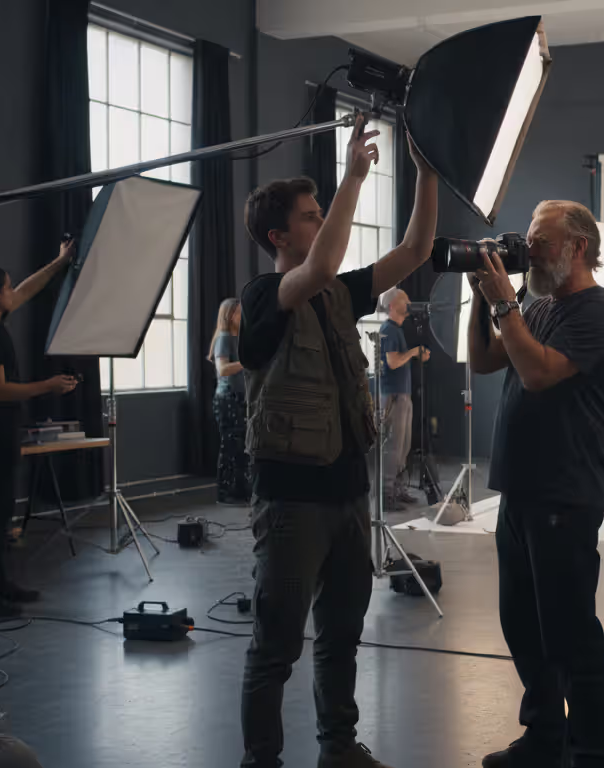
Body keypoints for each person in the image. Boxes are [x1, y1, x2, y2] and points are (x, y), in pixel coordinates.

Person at [237, 113, 438, 768]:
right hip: (292, 506)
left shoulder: (335, 297)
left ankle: (338, 749)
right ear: (277, 235)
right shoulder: (267, 297)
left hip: (348, 497)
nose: (320, 222)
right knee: (275, 649)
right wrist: (352, 175)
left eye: (322, 210)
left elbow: (413, 252)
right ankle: (260, 759)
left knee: (341, 638)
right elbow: (322, 261)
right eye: (308, 214)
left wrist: (428, 172)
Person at [470, 200, 604, 768]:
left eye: (541, 239)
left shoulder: (600, 314)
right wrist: (479, 297)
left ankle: (593, 753)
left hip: (565, 493)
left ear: (577, 247)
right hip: (519, 491)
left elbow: (537, 374)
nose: (529, 248)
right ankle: (544, 739)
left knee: (571, 634)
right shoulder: (534, 309)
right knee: (522, 627)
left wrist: (504, 303)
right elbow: (486, 361)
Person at [0, 247, 79, 619]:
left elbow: (25, 289)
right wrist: (49, 385)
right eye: (6, 286)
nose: (12, 291)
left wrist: (59, 261)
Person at [376, 287, 428, 507]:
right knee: (394, 446)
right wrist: (414, 352)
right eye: (404, 298)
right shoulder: (388, 329)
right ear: (391, 305)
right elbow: (393, 362)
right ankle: (386, 494)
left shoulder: (397, 330)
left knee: (403, 446)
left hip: (402, 394)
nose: (408, 301)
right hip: (393, 395)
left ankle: (397, 490)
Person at [209, 297, 250, 505]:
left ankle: (240, 490)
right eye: (237, 313)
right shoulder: (224, 337)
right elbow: (222, 369)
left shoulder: (237, 337)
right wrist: (245, 362)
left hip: (237, 399)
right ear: (228, 315)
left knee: (240, 446)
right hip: (227, 400)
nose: (241, 316)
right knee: (230, 447)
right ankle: (226, 493)